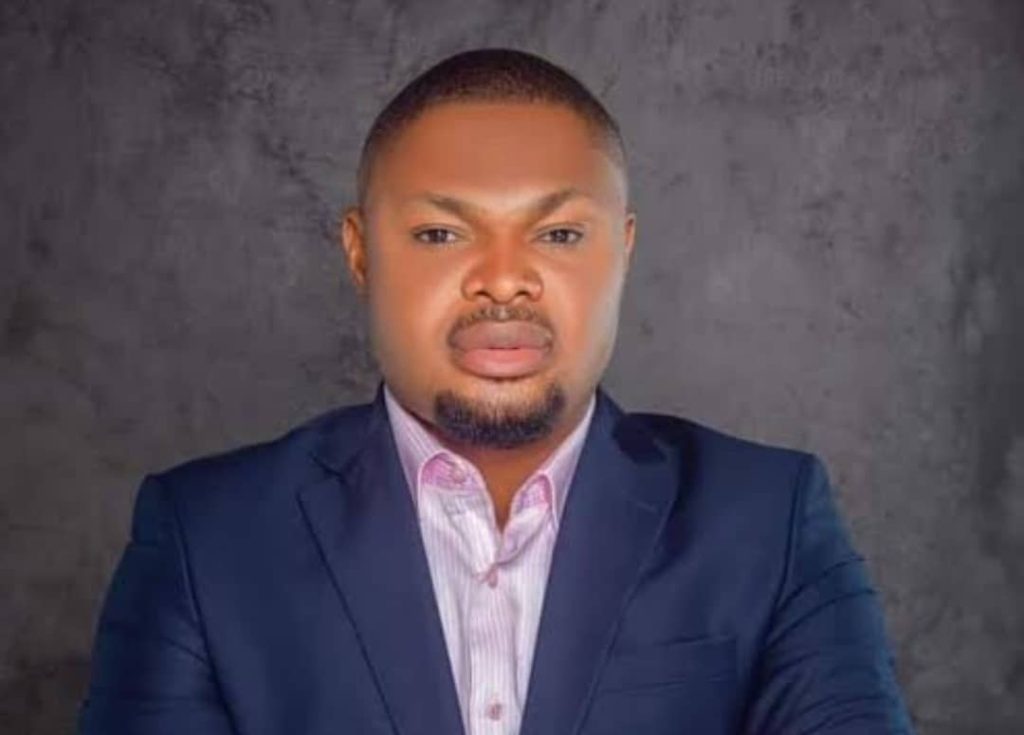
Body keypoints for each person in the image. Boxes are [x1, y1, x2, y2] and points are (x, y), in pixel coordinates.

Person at [78, 48, 915, 735]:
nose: (505, 280)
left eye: (559, 233)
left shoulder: (767, 519)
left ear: (622, 250)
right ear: (361, 252)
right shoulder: (207, 538)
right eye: (441, 232)